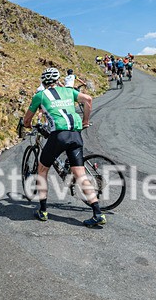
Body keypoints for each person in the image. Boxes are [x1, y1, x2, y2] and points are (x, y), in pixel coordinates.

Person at [22, 67, 106, 228]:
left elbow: (27, 121)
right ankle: (97, 213)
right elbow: (88, 99)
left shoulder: (40, 95)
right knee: (79, 173)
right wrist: (85, 121)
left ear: (43, 82)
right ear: (58, 80)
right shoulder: (68, 91)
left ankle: (43, 210)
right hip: (75, 134)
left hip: (59, 135)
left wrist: (27, 124)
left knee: (42, 169)